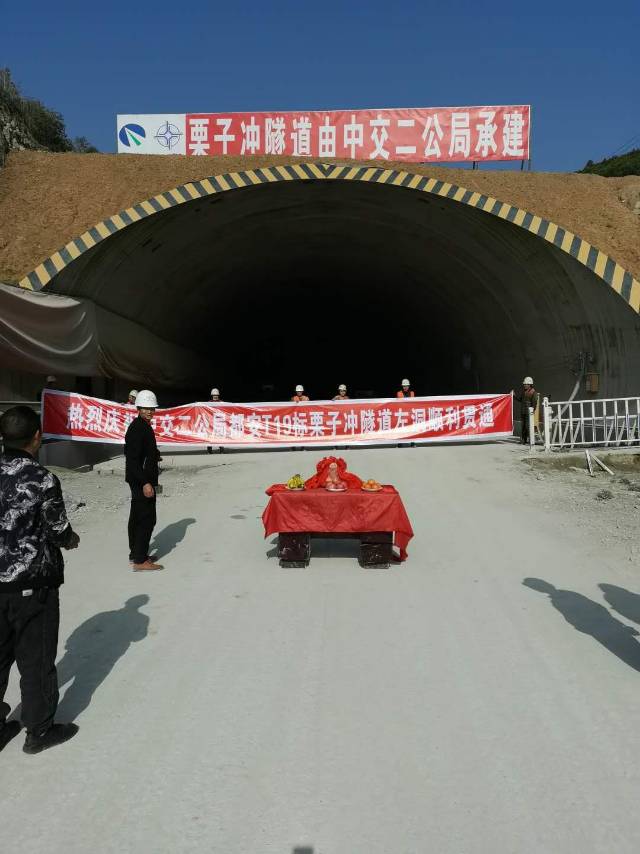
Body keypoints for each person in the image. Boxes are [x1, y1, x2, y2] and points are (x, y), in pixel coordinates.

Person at [0, 405, 80, 754]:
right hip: (33, 584)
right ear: (37, 437)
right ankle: (39, 730)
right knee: (36, 658)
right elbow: (57, 529)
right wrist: (71, 539)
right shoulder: (42, 479)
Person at [125, 390, 163, 571]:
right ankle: (140, 560)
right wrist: (145, 483)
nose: (149, 411)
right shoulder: (138, 428)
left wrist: (155, 454)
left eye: (151, 408)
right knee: (146, 519)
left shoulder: (142, 425)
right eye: (146, 408)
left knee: (136, 516)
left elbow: (142, 451)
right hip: (141, 481)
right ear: (138, 408)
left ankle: (136, 553)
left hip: (139, 479)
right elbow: (132, 460)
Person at [514, 376, 539, 444]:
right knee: (523, 426)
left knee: (528, 426)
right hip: (523, 411)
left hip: (529, 412)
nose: (524, 385)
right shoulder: (524, 392)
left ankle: (530, 440)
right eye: (524, 384)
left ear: (530, 384)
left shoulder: (533, 392)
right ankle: (524, 440)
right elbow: (520, 400)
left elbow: (534, 403)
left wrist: (532, 411)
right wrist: (514, 396)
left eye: (526, 384)